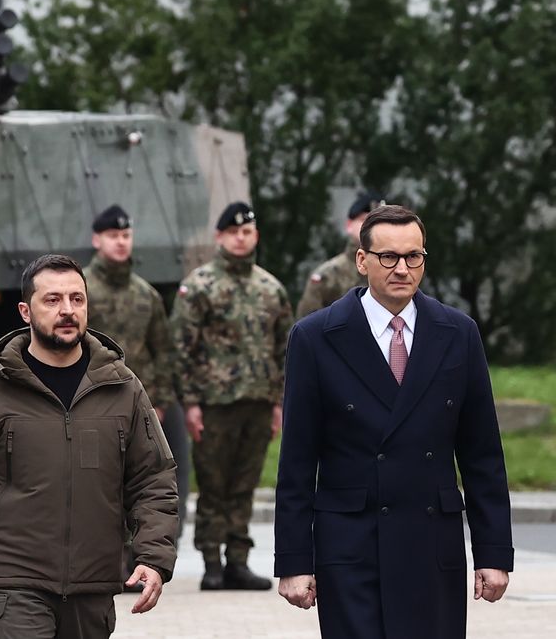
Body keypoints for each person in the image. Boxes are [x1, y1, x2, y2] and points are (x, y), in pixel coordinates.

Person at [274, 205, 513, 638]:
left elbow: (482, 455)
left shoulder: (458, 333)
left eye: (413, 256)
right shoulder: (315, 337)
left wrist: (493, 553)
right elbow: (296, 461)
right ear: (362, 260)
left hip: (429, 543)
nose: (402, 268)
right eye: (388, 257)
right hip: (350, 546)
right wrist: (293, 562)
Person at [0, 254, 178, 638]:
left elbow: (154, 480)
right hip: (15, 584)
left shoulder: (123, 389)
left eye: (77, 299)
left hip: (93, 588)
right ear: (26, 311)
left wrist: (154, 557)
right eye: (53, 300)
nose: (67, 310)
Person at [170, 201, 293, 591]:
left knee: (244, 484)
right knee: (213, 485)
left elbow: (284, 349)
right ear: (220, 236)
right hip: (213, 403)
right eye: (234, 232)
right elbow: (182, 348)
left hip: (258, 401)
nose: (241, 238)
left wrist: (279, 402)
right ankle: (211, 562)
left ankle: (238, 561)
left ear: (255, 236)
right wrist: (190, 403)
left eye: (248, 231)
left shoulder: (270, 288)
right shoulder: (200, 285)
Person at [83, 204, 189, 541]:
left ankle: (138, 555)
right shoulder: (81, 291)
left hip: (137, 406)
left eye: (126, 236)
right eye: (113, 236)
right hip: (92, 403)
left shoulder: (147, 295)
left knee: (140, 482)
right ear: (97, 240)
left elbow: (164, 353)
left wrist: (157, 401)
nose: (120, 242)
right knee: (98, 484)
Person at [297, 193, 387, 319]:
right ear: (349, 225)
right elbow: (307, 329)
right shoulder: (328, 276)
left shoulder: (399, 270)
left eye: (380, 223)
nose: (372, 228)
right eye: (364, 220)